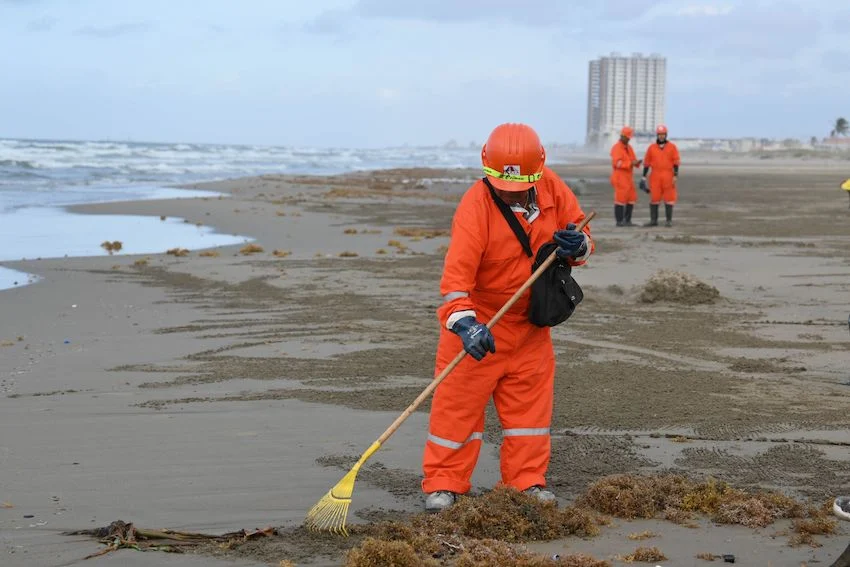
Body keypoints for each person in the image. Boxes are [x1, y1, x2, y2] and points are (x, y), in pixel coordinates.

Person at [421, 122, 594, 512]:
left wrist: (578, 244)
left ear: (539, 170)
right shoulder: (474, 207)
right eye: (503, 186)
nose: (509, 192)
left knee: (529, 416)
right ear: (488, 169)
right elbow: (455, 284)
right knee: (456, 412)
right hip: (480, 324)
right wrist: (465, 325)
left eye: (519, 187)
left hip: (530, 326)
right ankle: (445, 484)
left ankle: (526, 482)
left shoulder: (552, 186)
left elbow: (583, 235)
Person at [640, 125, 681, 227]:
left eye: (663, 134)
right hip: (655, 175)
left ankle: (669, 221)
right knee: (654, 198)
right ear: (657, 135)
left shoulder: (672, 147)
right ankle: (653, 221)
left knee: (669, 198)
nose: (661, 136)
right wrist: (643, 177)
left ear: (666, 135)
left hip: (668, 175)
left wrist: (675, 175)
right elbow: (646, 164)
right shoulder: (651, 148)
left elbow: (676, 162)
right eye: (660, 134)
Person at [610, 126, 641, 227]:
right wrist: (630, 163)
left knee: (631, 198)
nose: (628, 139)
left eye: (629, 137)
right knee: (620, 199)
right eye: (627, 137)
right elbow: (617, 163)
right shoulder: (616, 148)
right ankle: (619, 221)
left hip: (628, 177)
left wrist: (636, 163)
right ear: (622, 136)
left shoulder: (629, 147)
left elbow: (633, 160)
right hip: (619, 177)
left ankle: (628, 220)